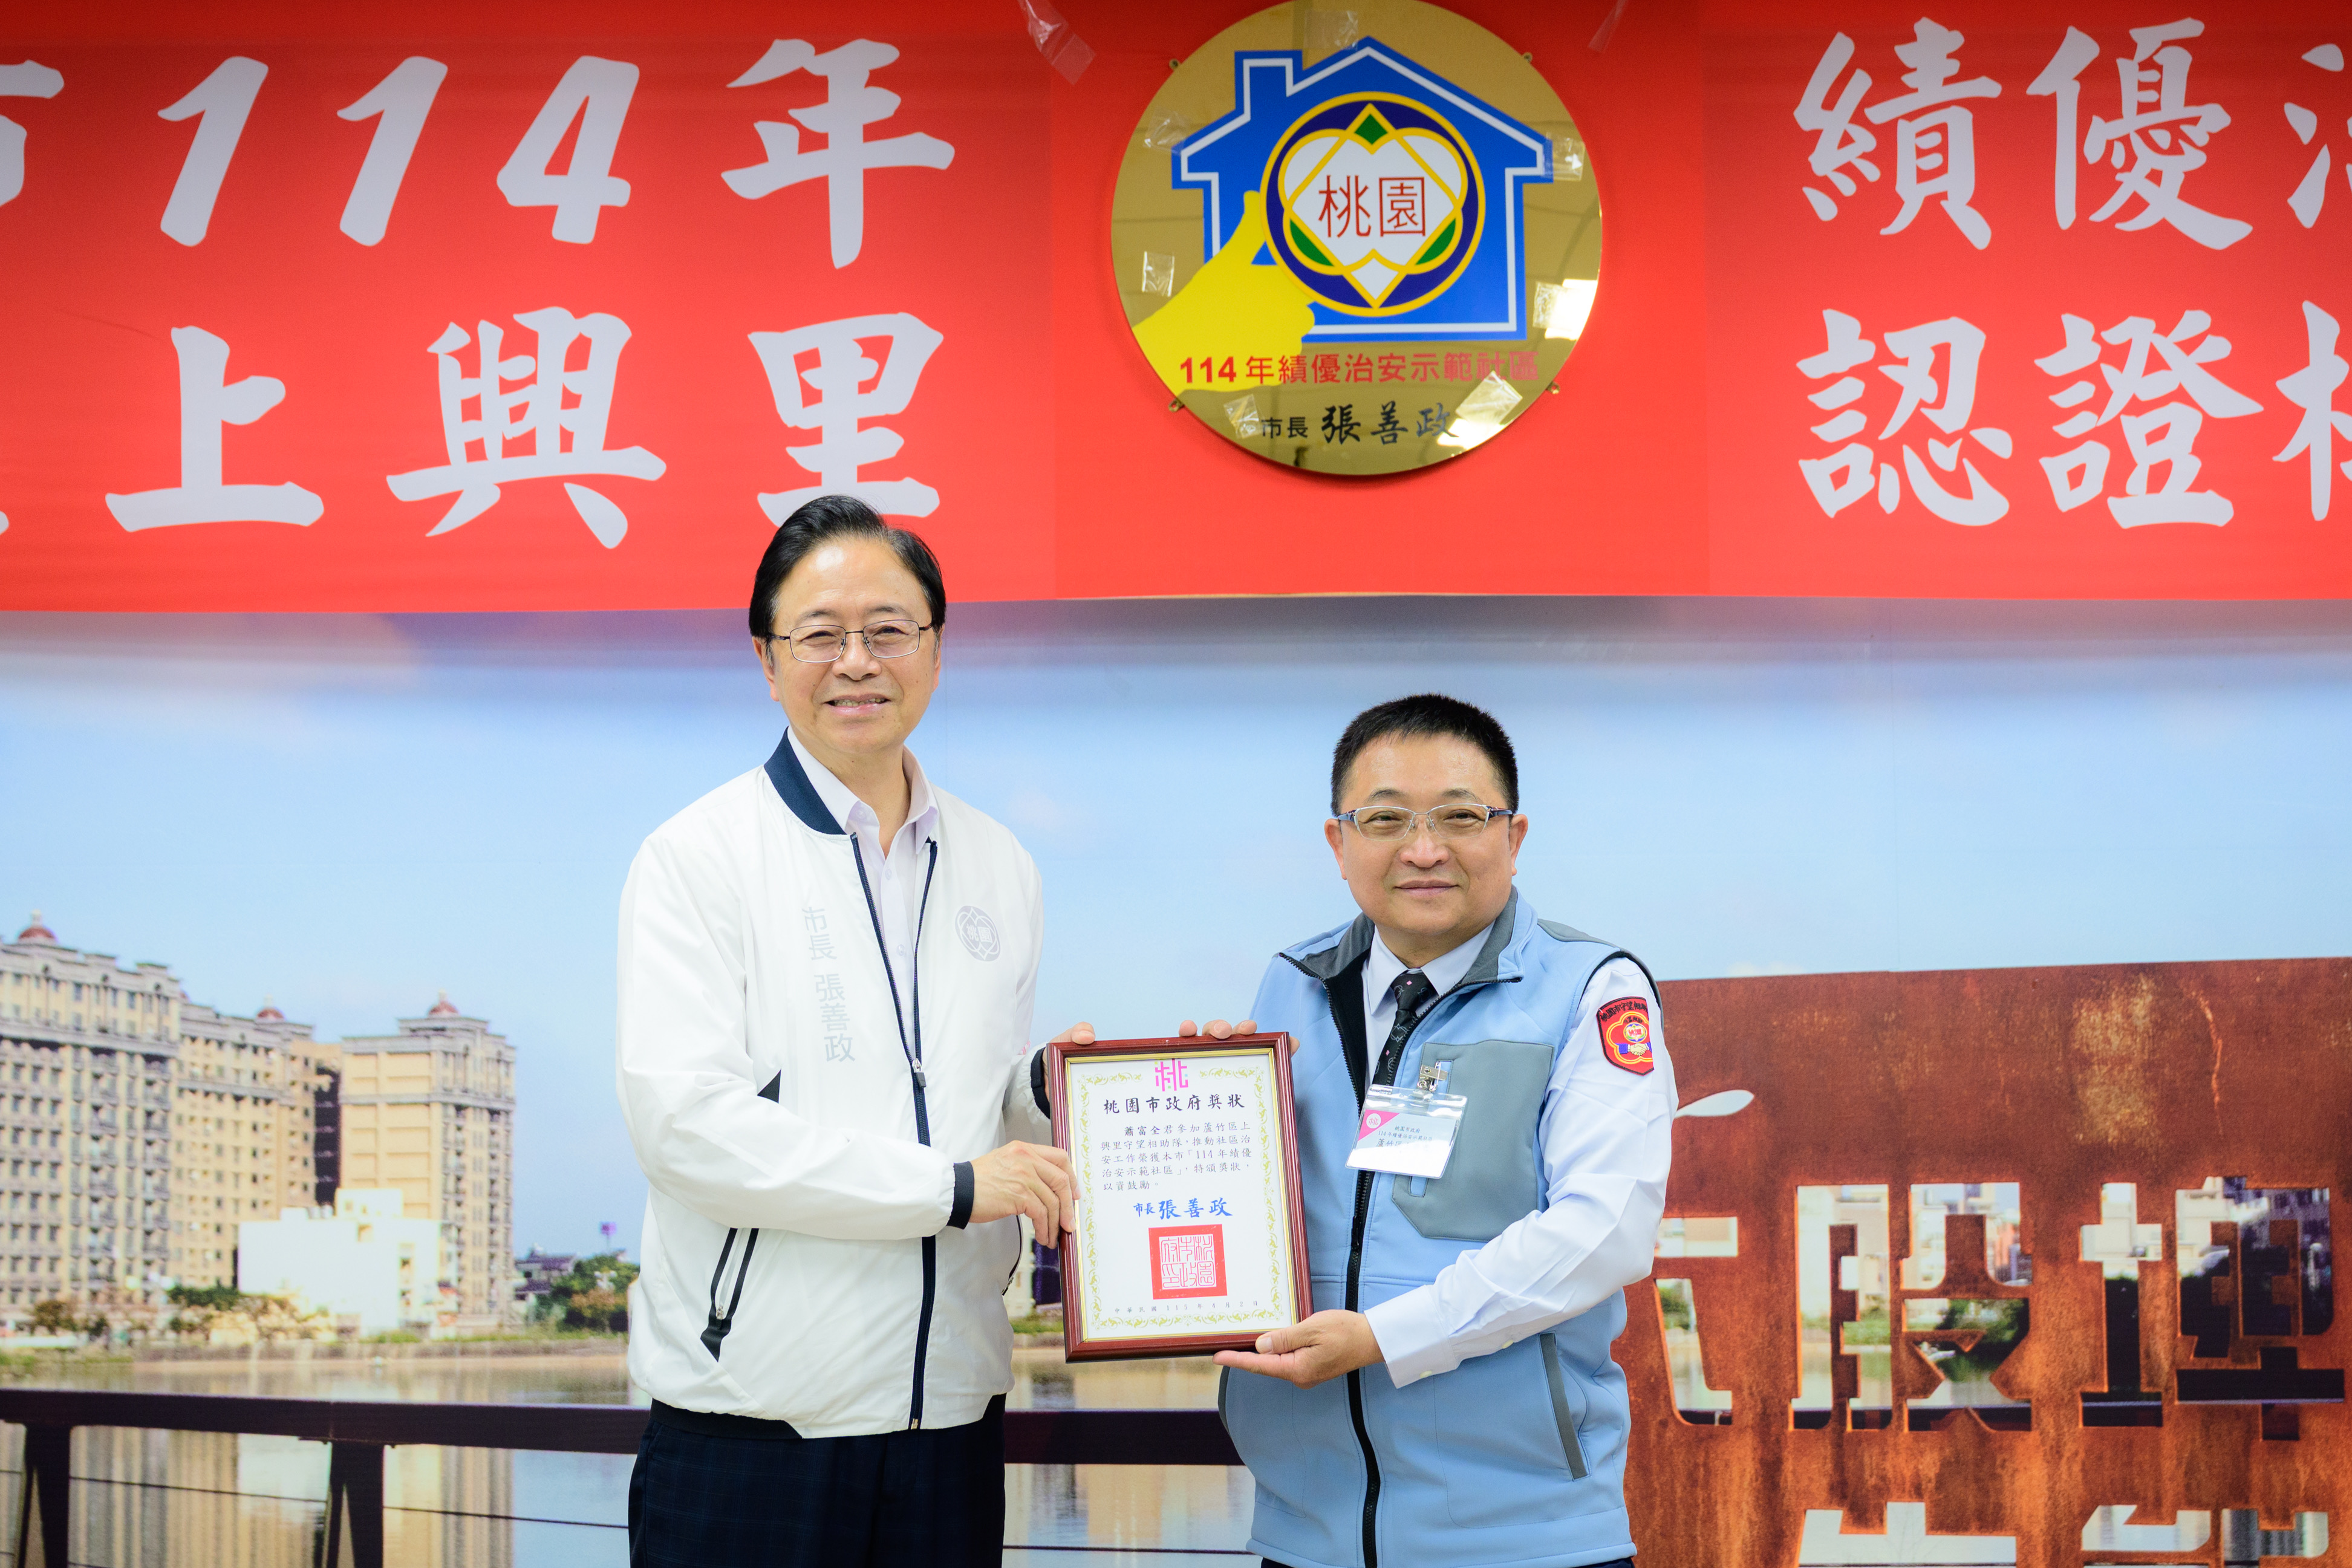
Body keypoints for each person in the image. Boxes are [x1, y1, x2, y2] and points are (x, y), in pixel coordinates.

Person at [616, 495, 1086, 1567]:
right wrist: (951, 1187)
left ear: (936, 648)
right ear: (767, 659)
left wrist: (1051, 1094)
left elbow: (970, 1108)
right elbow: (686, 1130)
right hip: (752, 1426)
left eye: (888, 629)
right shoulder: (697, 856)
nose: (857, 661)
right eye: (820, 634)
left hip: (952, 1417)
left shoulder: (1000, 862)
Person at [1199, 694, 1676, 1568]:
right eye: (1385, 819)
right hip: (1305, 1531)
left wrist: (1388, 1338)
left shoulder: (1590, 990)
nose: (1423, 849)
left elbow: (1604, 1228)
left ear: (1514, 836)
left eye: (1459, 817)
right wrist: (1192, 1102)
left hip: (1524, 1537)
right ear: (1338, 842)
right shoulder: (1292, 982)